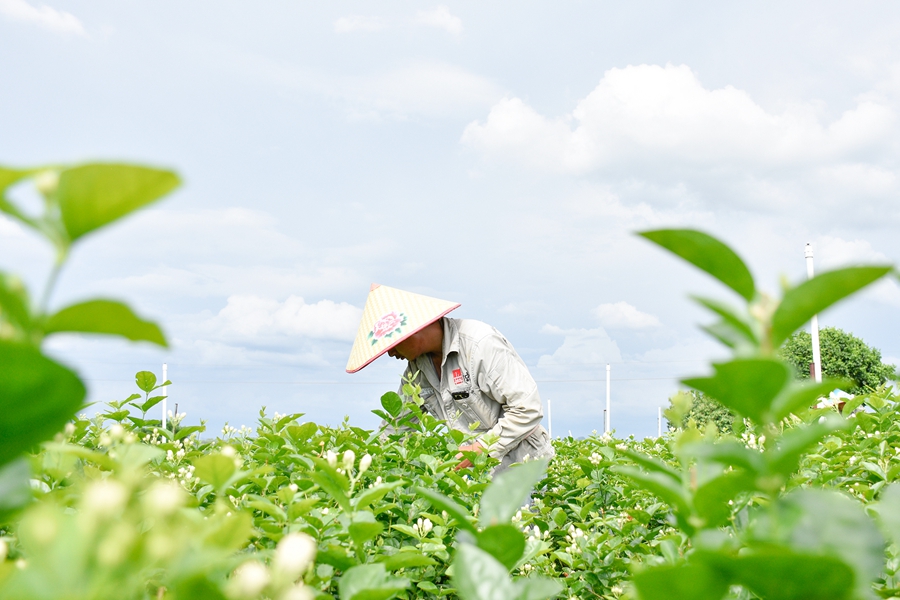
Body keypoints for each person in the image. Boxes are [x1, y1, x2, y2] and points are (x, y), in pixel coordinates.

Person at [346, 284, 554, 473]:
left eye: (391, 345)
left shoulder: (480, 344)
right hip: (475, 470)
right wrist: (367, 461)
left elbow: (527, 408)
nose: (391, 354)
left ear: (412, 332)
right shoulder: (417, 367)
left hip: (521, 461)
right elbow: (399, 424)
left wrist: (479, 448)